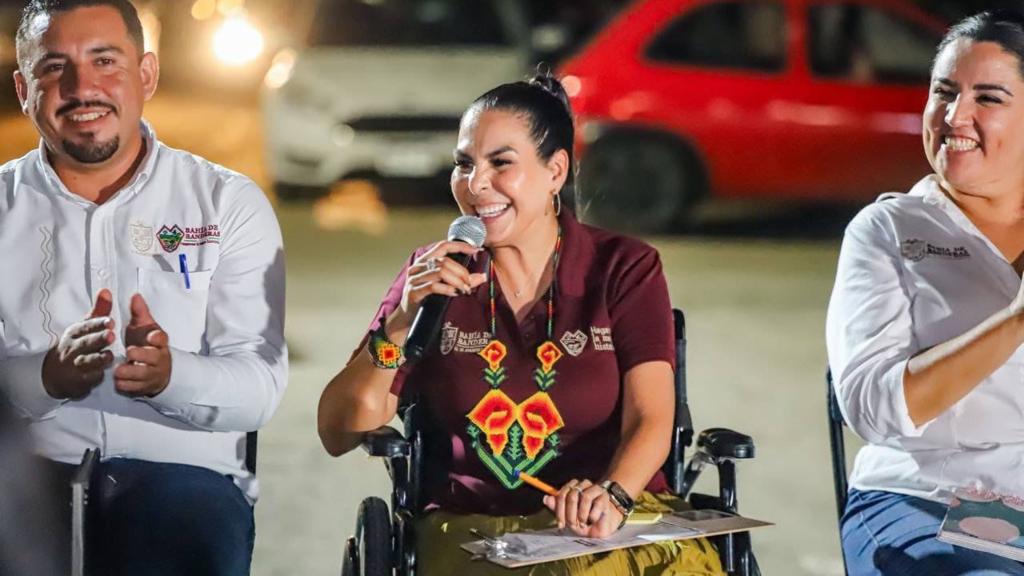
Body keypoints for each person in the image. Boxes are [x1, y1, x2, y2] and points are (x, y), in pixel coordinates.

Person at [318, 74, 723, 575]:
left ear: (556, 171)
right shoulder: (433, 274)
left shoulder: (623, 268)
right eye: (464, 164)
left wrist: (613, 494)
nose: (475, 184)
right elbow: (338, 431)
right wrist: (402, 321)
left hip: (620, 520)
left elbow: (651, 416)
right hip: (476, 531)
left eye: (500, 163)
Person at [0, 1, 287, 574]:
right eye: (54, 67)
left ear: (147, 74)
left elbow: (260, 386)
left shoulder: (225, 202)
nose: (82, 87)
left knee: (177, 532)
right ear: (24, 89)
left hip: (184, 481)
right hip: (24, 478)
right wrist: (46, 376)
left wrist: (170, 375)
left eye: (105, 61)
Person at [827, 10, 1024, 574]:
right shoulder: (889, 230)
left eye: (988, 98)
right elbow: (871, 408)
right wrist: (1015, 320)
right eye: (944, 93)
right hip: (932, 496)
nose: (955, 116)